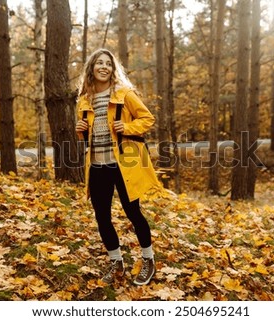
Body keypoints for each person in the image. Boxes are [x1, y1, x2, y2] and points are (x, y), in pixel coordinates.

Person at [75, 48, 161, 285]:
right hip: (97, 166)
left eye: (108, 64)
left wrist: (128, 127)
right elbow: (88, 137)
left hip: (123, 166)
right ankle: (116, 262)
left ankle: (148, 260)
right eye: (99, 63)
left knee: (133, 213)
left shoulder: (124, 94)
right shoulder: (84, 100)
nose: (104, 67)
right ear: (91, 68)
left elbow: (147, 118)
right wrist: (81, 130)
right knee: (102, 217)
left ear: (113, 69)